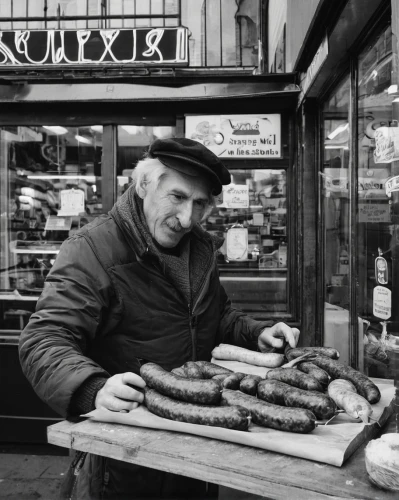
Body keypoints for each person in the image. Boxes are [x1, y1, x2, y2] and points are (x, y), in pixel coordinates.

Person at [19, 137, 300, 500]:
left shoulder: (200, 248)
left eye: (199, 204)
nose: (187, 218)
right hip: (124, 455)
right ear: (144, 185)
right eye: (178, 197)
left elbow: (217, 316)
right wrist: (93, 388)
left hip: (197, 439)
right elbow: (44, 339)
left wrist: (258, 333)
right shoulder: (92, 247)